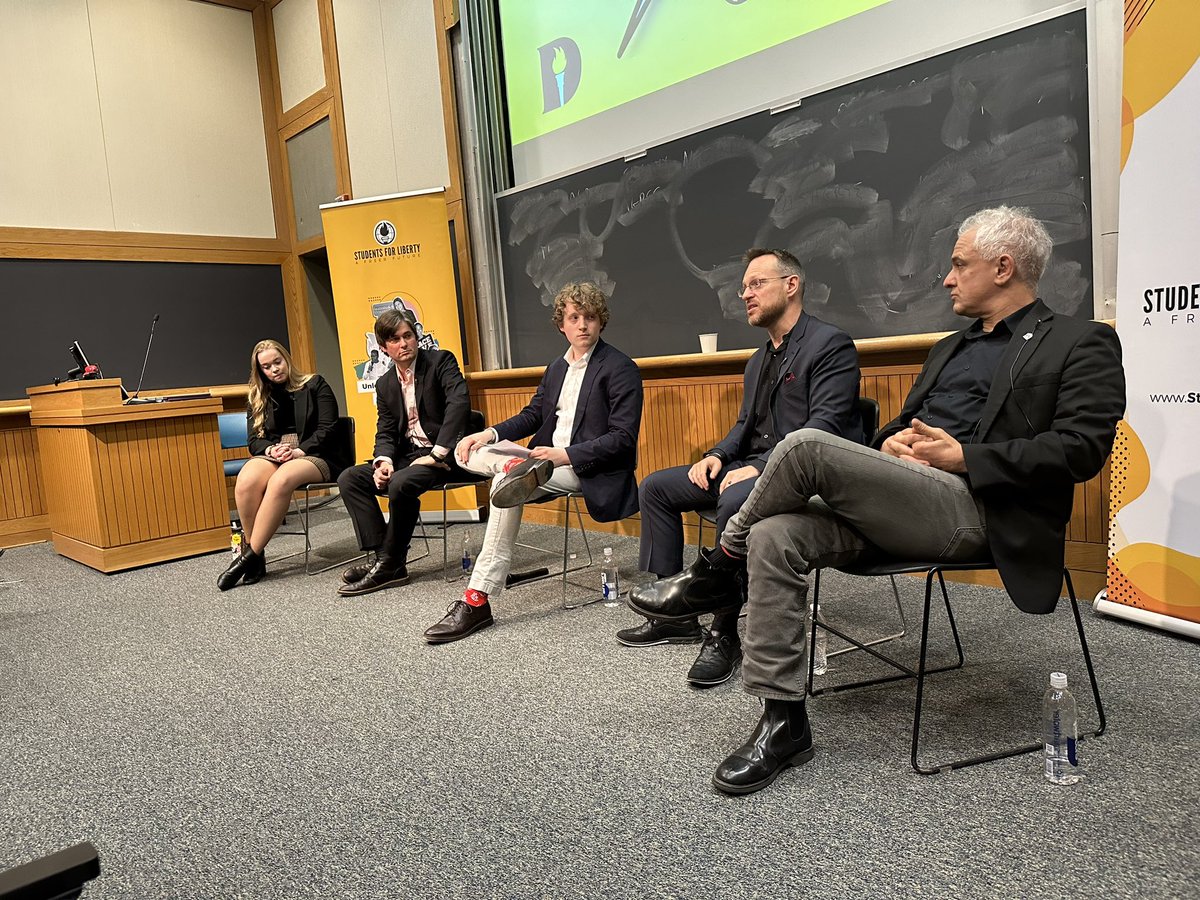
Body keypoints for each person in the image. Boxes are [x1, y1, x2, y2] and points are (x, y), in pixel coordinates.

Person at [628, 206, 1126, 795]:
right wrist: (893, 439)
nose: (946, 278)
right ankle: (783, 722)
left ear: (1003, 266)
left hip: (979, 509)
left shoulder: (1079, 342)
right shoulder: (949, 347)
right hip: (903, 497)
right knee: (773, 534)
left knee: (807, 446)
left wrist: (963, 457)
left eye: (958, 265)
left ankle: (712, 575)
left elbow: (1082, 450)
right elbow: (901, 423)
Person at [619, 248, 862, 688]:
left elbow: (823, 430)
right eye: (744, 287)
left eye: (756, 284)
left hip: (803, 474)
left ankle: (724, 631)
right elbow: (743, 426)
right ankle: (673, 615)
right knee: (656, 487)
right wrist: (716, 455)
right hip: (750, 469)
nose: (744, 294)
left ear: (791, 285)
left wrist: (763, 469)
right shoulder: (758, 359)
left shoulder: (830, 345)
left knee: (734, 500)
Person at [422, 282, 643, 643]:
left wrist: (563, 455)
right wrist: (489, 434)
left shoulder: (620, 368)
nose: (583, 324)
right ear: (562, 324)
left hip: (582, 468)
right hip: (540, 461)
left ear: (601, 321)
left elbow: (622, 439)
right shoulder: (557, 368)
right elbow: (532, 415)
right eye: (574, 317)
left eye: (590, 317)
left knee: (503, 484)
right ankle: (510, 468)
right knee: (474, 450)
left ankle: (476, 600)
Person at [336, 308, 471, 595]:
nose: (404, 343)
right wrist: (382, 461)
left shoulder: (440, 362)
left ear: (416, 336)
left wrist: (437, 454)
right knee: (350, 478)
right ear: (384, 348)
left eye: (408, 336)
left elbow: (459, 404)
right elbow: (385, 430)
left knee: (401, 482)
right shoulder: (385, 384)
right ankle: (383, 559)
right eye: (395, 339)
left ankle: (391, 562)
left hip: (447, 455)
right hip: (409, 456)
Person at [218, 340, 351, 590]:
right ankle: (257, 555)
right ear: (260, 371)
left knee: (281, 480)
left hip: (315, 453)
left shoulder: (315, 384)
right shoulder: (258, 396)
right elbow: (254, 441)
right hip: (277, 454)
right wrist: (271, 449)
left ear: (286, 359)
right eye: (266, 367)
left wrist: (298, 450)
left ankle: (248, 558)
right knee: (247, 479)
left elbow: (329, 429)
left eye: (277, 362)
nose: (274, 370)